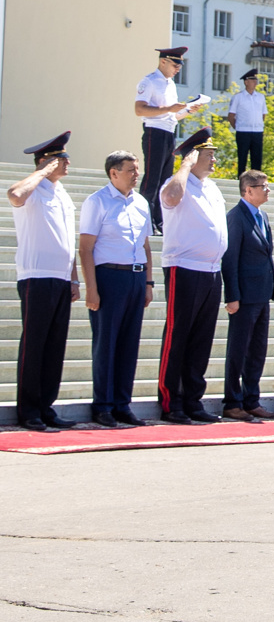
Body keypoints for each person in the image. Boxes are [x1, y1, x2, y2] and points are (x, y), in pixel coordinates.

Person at [158, 127, 228, 424]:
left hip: (211, 271)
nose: (214, 160)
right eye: (208, 155)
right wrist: (185, 164)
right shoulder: (177, 183)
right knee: (178, 336)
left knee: (201, 339)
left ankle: (193, 400)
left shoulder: (212, 188)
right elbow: (172, 198)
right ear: (194, 156)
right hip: (183, 267)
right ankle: (171, 401)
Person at [11, 132, 80, 432]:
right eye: (61, 159)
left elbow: (69, 238)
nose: (67, 163)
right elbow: (14, 195)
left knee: (55, 347)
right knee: (35, 345)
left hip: (61, 278)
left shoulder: (62, 193)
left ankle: (46, 405)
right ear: (46, 161)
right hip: (36, 277)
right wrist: (41, 171)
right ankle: (28, 410)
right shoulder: (33, 189)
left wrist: (74, 278)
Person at [79, 150, 153, 427]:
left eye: (137, 169)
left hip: (135, 277)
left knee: (128, 344)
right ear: (113, 173)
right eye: (130, 170)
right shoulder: (97, 202)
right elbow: (86, 248)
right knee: (106, 344)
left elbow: (145, 246)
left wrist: (148, 282)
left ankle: (123, 404)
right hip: (109, 276)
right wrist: (91, 289)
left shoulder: (141, 202)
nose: (137, 174)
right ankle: (103, 406)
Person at [221, 169, 274, 421]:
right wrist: (232, 295)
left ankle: (251, 399)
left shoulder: (262, 216)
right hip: (243, 296)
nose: (268, 190)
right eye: (262, 186)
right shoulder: (236, 217)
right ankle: (232, 402)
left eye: (267, 185)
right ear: (248, 190)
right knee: (238, 349)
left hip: (262, 293)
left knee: (257, 349)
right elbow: (230, 258)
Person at [135, 46, 196, 234]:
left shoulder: (170, 84)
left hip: (169, 133)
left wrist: (187, 111)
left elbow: (171, 116)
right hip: (155, 132)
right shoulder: (150, 81)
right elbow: (140, 110)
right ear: (163, 61)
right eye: (175, 64)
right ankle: (144, 219)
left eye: (180, 65)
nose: (178, 68)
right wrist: (169, 109)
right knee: (152, 179)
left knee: (164, 180)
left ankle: (159, 220)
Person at [227, 68, 267, 172]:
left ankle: (257, 182)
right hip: (243, 131)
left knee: (257, 159)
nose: (255, 82)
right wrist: (238, 127)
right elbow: (231, 116)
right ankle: (241, 182)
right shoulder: (238, 97)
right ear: (246, 82)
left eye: (256, 80)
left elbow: (263, 114)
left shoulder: (260, 97)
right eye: (252, 80)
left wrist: (259, 125)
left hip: (257, 131)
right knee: (242, 158)